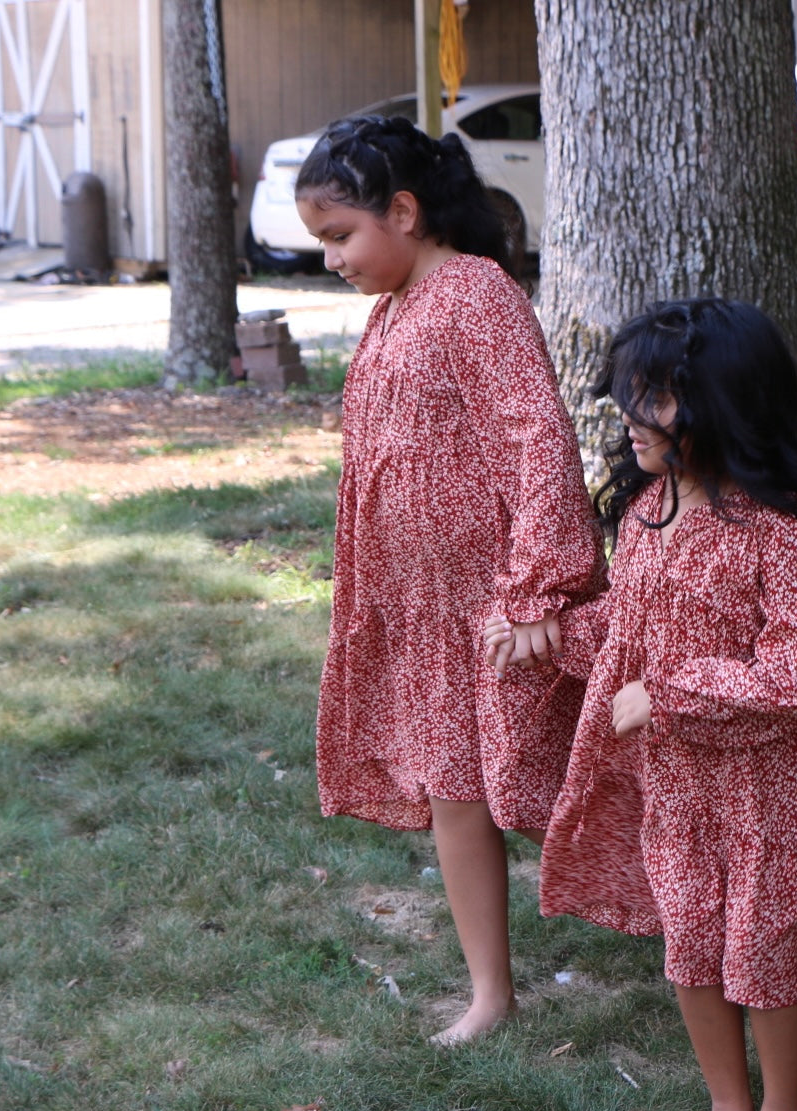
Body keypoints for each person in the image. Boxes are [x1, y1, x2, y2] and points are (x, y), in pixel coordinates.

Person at [486, 298, 797, 1111]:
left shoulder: (781, 539)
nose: (631, 417)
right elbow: (629, 623)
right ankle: (726, 1106)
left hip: (767, 787)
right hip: (678, 785)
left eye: (658, 400)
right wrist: (553, 634)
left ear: (726, 403)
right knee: (692, 944)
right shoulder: (650, 510)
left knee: (761, 949)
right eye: (628, 394)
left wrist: (671, 694)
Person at [294, 114, 606, 1046]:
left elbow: (533, 438)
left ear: (404, 209)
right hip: (426, 609)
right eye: (322, 242)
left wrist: (538, 585)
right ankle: (490, 994)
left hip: (498, 605)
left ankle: (710, 938)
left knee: (566, 775)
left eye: (340, 236)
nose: (331, 260)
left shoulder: (474, 294)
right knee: (456, 792)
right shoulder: (392, 309)